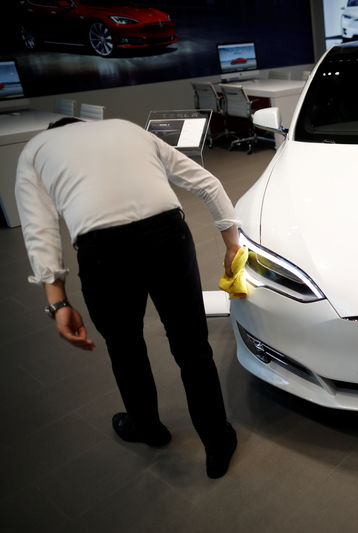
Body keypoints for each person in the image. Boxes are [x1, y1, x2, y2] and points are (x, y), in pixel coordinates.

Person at [15, 117, 240, 479]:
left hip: (103, 252)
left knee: (125, 349)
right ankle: (217, 443)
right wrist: (232, 246)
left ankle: (149, 429)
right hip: (168, 236)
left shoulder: (35, 150)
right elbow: (208, 184)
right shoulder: (128, 129)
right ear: (87, 124)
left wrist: (58, 302)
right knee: (193, 348)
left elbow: (38, 230)